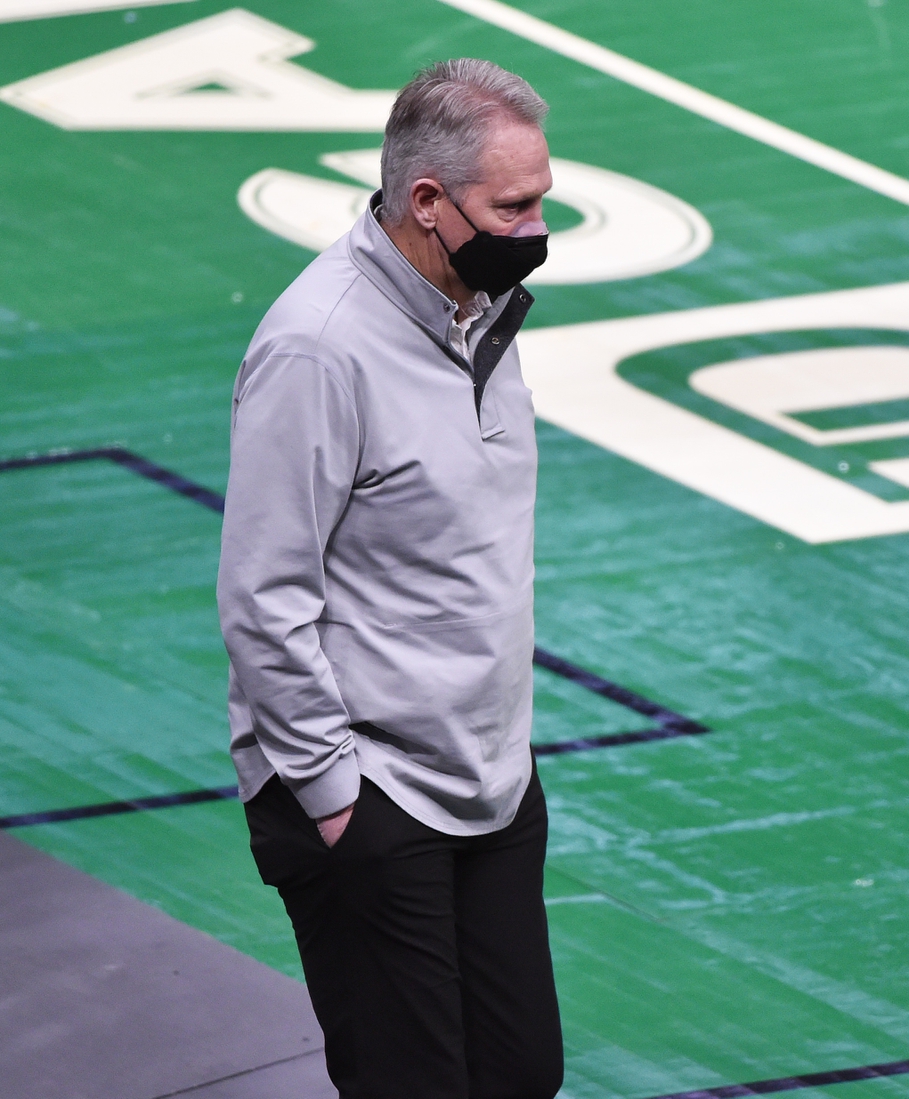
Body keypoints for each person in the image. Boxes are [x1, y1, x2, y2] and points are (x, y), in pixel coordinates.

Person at [217, 58, 563, 1099]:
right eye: (515, 205)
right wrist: (334, 798)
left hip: (489, 776)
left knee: (517, 1074)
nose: (539, 224)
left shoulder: (482, 315)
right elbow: (263, 598)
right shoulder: (317, 350)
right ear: (427, 202)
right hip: (369, 790)